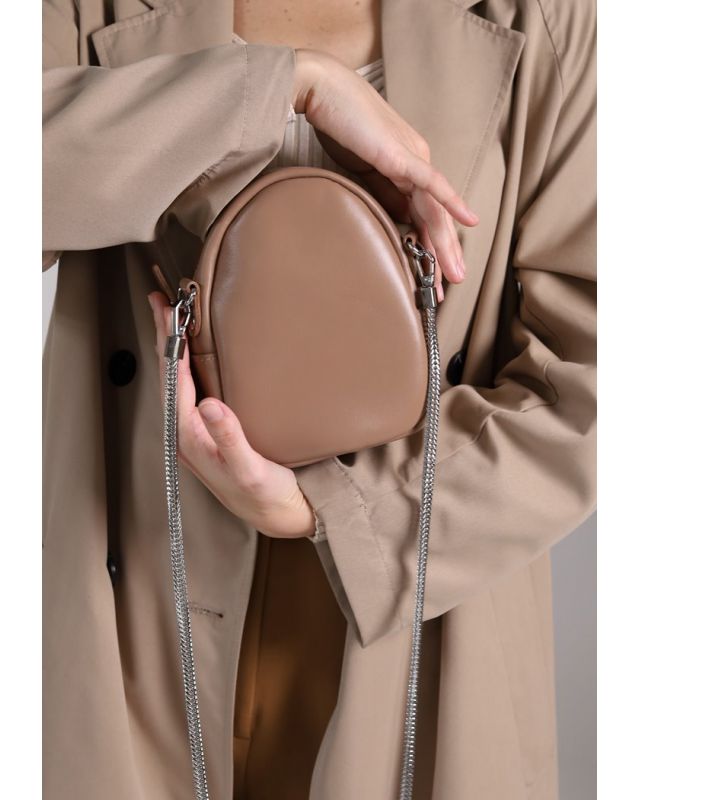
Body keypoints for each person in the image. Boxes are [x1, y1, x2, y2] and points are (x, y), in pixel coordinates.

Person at [42, 1, 596, 798]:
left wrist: (339, 513)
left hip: (418, 602)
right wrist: (284, 88)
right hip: (136, 578)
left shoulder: (547, 18)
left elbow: (593, 377)